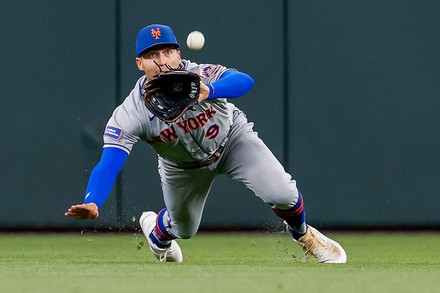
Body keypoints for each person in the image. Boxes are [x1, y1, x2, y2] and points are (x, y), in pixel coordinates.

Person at [65, 24, 347, 264]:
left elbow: (244, 81)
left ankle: (304, 235)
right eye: (152, 55)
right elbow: (109, 163)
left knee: (284, 192)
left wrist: (211, 91)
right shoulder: (131, 113)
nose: (162, 60)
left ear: (178, 53)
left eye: (167, 52)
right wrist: (93, 201)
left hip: (234, 141)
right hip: (183, 167)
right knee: (184, 229)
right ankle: (157, 233)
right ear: (140, 63)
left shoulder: (200, 74)